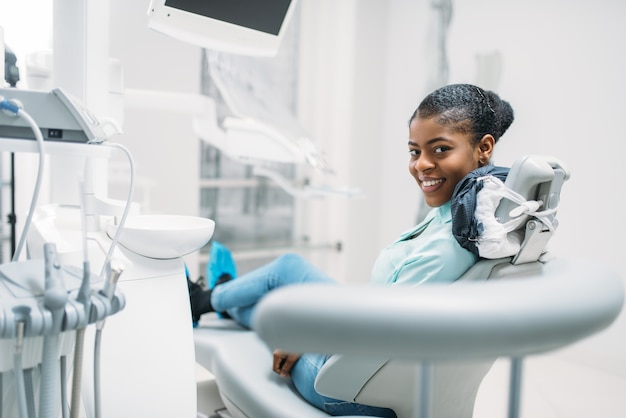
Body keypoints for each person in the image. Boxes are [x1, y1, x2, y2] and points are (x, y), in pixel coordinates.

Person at [188, 83, 515, 417]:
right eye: (415, 151)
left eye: (440, 150)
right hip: (368, 349)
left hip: (349, 386)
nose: (422, 165)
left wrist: (309, 339)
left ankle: (216, 300)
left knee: (284, 321)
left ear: (483, 148)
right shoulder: (472, 217)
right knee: (288, 268)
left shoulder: (450, 246)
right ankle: (216, 299)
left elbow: (379, 333)